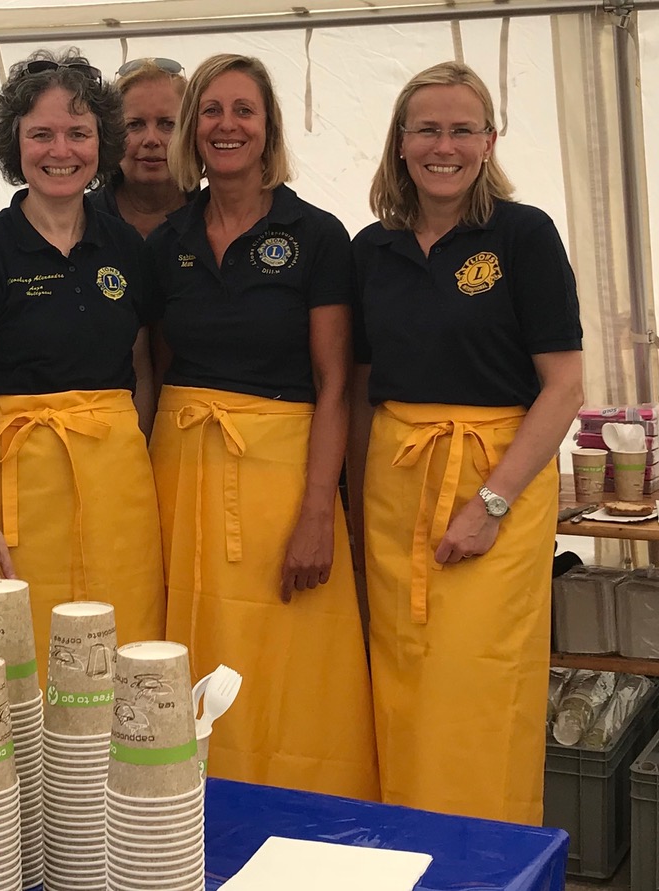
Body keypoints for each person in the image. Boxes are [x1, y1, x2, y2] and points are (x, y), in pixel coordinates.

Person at [350, 61, 582, 823]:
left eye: (460, 129)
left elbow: (564, 387)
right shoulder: (370, 248)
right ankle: (406, 842)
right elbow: (359, 385)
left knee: (479, 683)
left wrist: (490, 504)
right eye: (427, 129)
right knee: (404, 678)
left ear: (488, 140)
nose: (442, 146)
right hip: (397, 484)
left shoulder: (523, 235)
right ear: (402, 141)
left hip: (495, 483)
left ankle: (486, 854)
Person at [147, 53, 379, 798]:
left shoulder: (316, 235)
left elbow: (335, 381)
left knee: (294, 661)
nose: (227, 125)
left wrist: (322, 510)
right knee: (191, 644)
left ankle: (306, 811)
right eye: (211, 110)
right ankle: (192, 809)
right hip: (182, 471)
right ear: (193, 129)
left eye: (244, 110)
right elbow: (154, 369)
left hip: (284, 475)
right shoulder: (166, 241)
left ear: (268, 127)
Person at [0, 50, 166, 675]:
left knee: (122, 658)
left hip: (119, 496)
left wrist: (122, 448)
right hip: (17, 502)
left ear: (101, 142)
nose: (61, 150)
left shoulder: (125, 247)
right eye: (42, 134)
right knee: (12, 668)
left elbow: (141, 370)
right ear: (16, 144)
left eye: (79, 133)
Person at [87, 58, 194, 238]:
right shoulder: (81, 219)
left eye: (167, 124)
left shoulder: (214, 216)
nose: (151, 139)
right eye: (135, 125)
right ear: (112, 133)